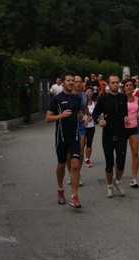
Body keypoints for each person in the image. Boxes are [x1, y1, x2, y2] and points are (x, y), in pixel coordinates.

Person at [45, 70, 86, 209]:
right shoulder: (56, 99)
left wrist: (84, 117)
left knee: (75, 164)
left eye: (73, 80)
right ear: (63, 82)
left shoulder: (77, 98)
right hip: (61, 137)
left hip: (74, 136)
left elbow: (78, 112)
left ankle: (74, 196)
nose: (71, 82)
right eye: (68, 80)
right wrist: (60, 116)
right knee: (61, 165)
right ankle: (60, 189)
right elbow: (48, 118)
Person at [92, 74, 130, 198]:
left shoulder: (123, 97)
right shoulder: (103, 99)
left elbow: (125, 112)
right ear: (108, 84)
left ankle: (117, 182)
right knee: (109, 164)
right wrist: (99, 121)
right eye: (113, 82)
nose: (115, 84)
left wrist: (126, 118)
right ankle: (109, 186)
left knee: (121, 163)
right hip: (108, 134)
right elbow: (95, 114)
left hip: (121, 134)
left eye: (117, 82)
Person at [65, 76, 88, 186]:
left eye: (80, 82)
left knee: (80, 151)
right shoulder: (68, 96)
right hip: (70, 125)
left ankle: (77, 172)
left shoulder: (84, 96)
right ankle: (70, 172)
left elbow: (85, 109)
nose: (78, 84)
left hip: (81, 125)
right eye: (76, 82)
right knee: (69, 153)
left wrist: (88, 116)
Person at [123, 78, 139, 188]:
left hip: (134, 128)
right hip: (122, 128)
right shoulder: (121, 99)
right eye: (127, 85)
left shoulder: (137, 99)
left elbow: (137, 110)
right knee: (122, 153)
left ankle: (134, 178)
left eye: (130, 85)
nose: (129, 87)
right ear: (124, 87)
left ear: (133, 87)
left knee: (135, 153)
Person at [84, 86, 96, 168]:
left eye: (90, 92)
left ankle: (87, 158)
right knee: (81, 144)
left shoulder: (94, 104)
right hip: (82, 126)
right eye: (87, 92)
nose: (89, 94)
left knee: (89, 143)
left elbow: (97, 115)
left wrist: (92, 117)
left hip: (91, 126)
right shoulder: (81, 103)